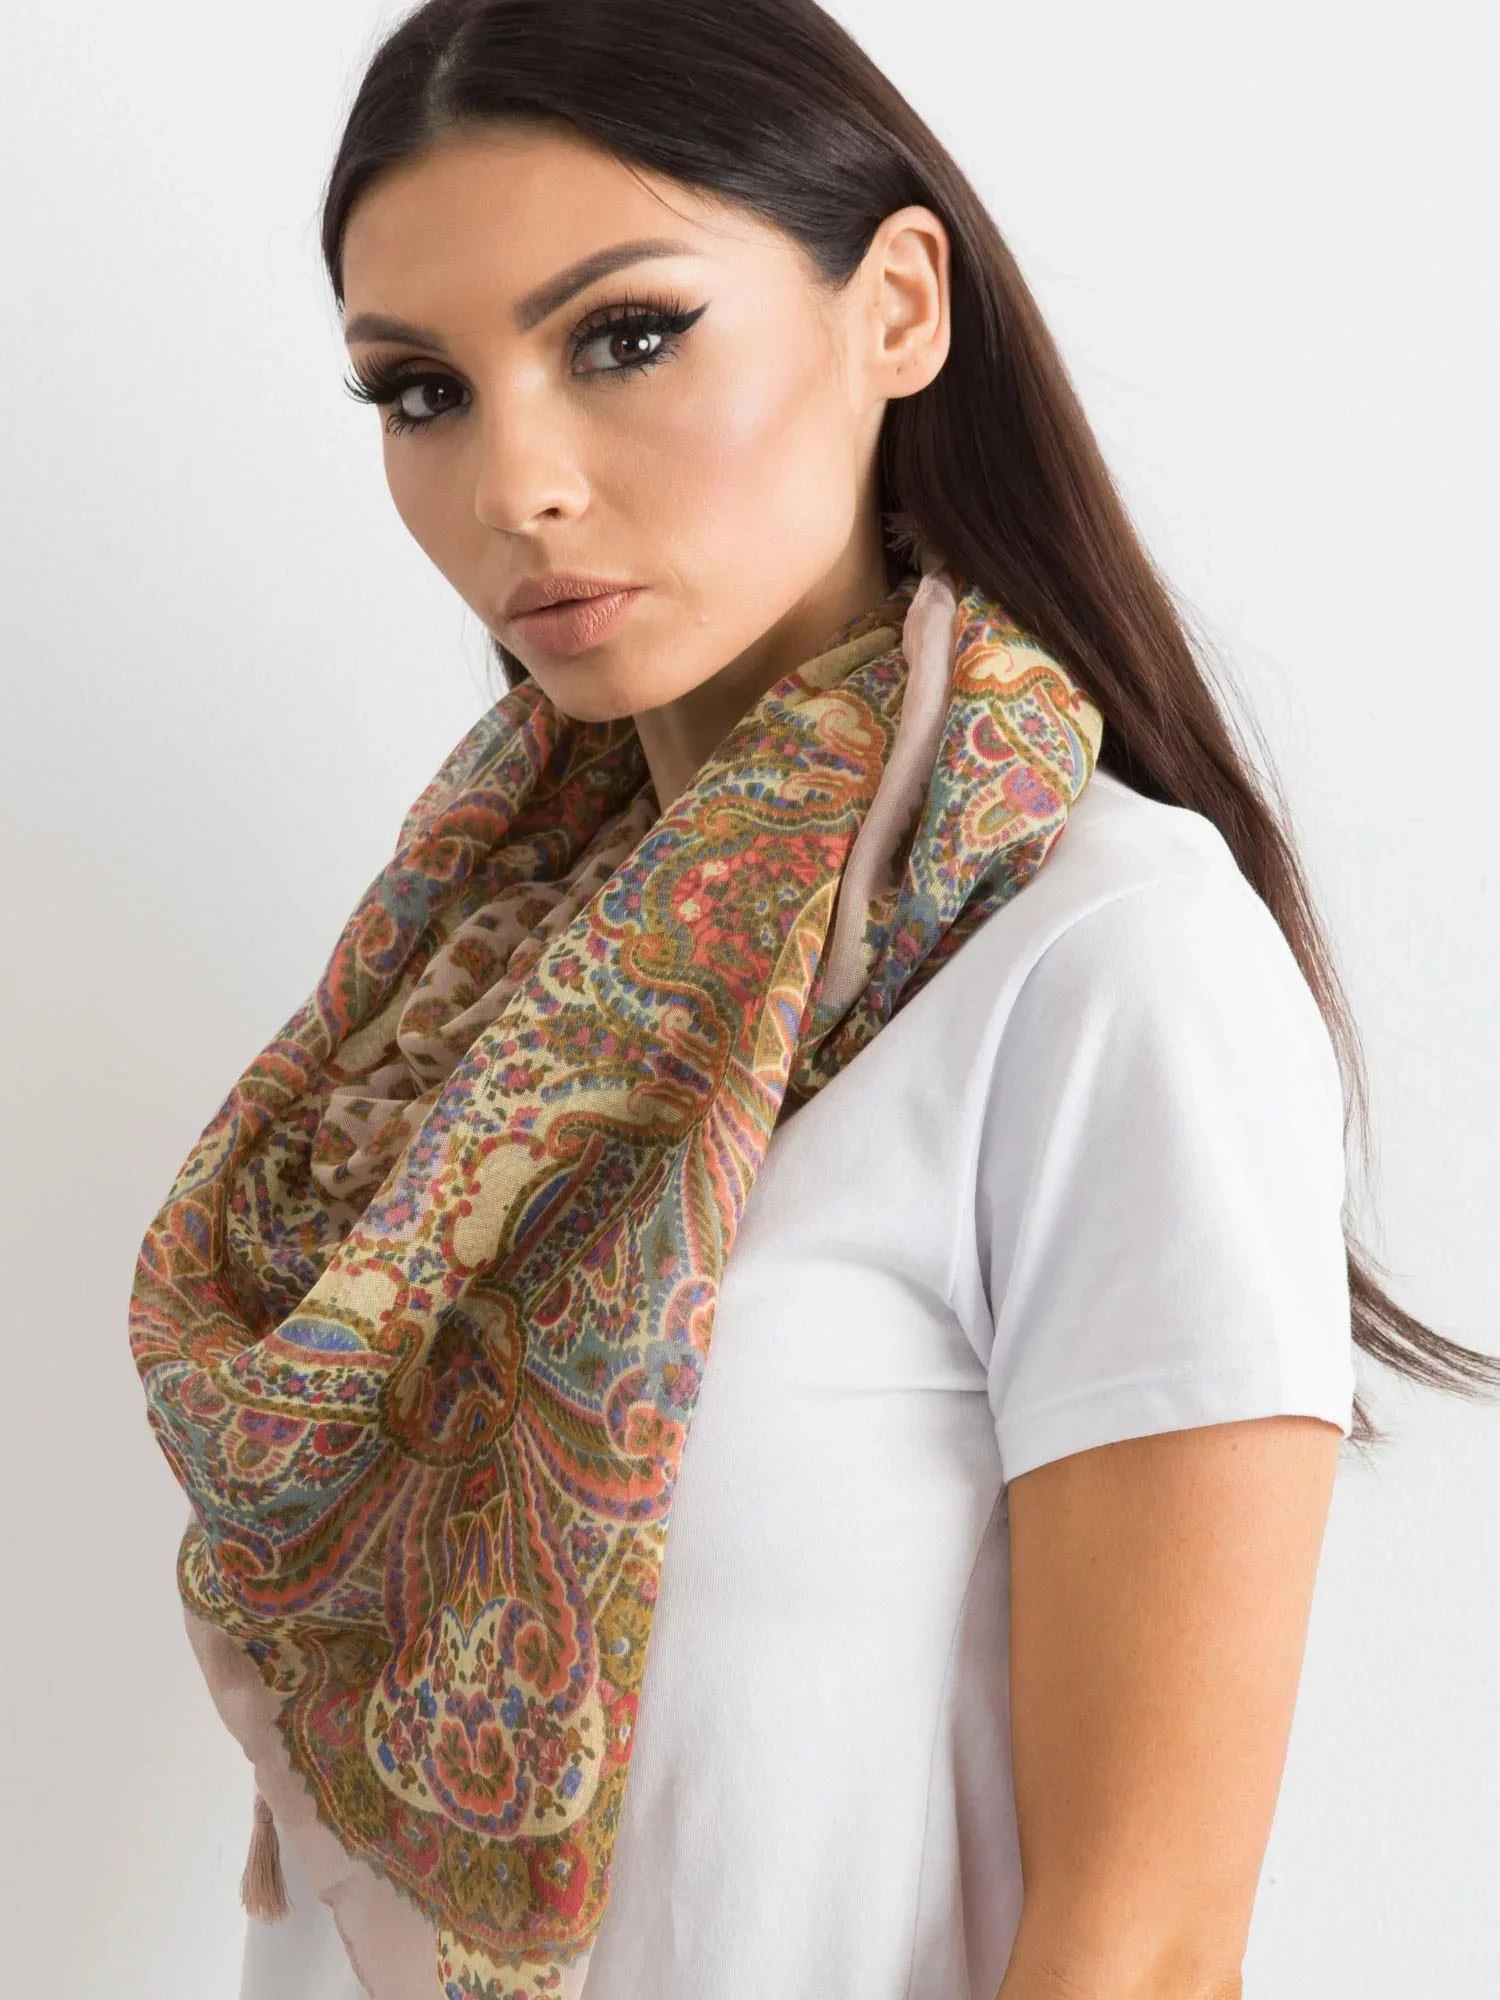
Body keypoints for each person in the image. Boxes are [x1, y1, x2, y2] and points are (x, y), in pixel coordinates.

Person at [128, 4, 1497, 1999]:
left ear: (899, 308)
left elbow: (1146, 1945)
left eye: (625, 337)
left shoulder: (1104, 961)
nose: (517, 481)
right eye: (422, 391)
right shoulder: (454, 998)